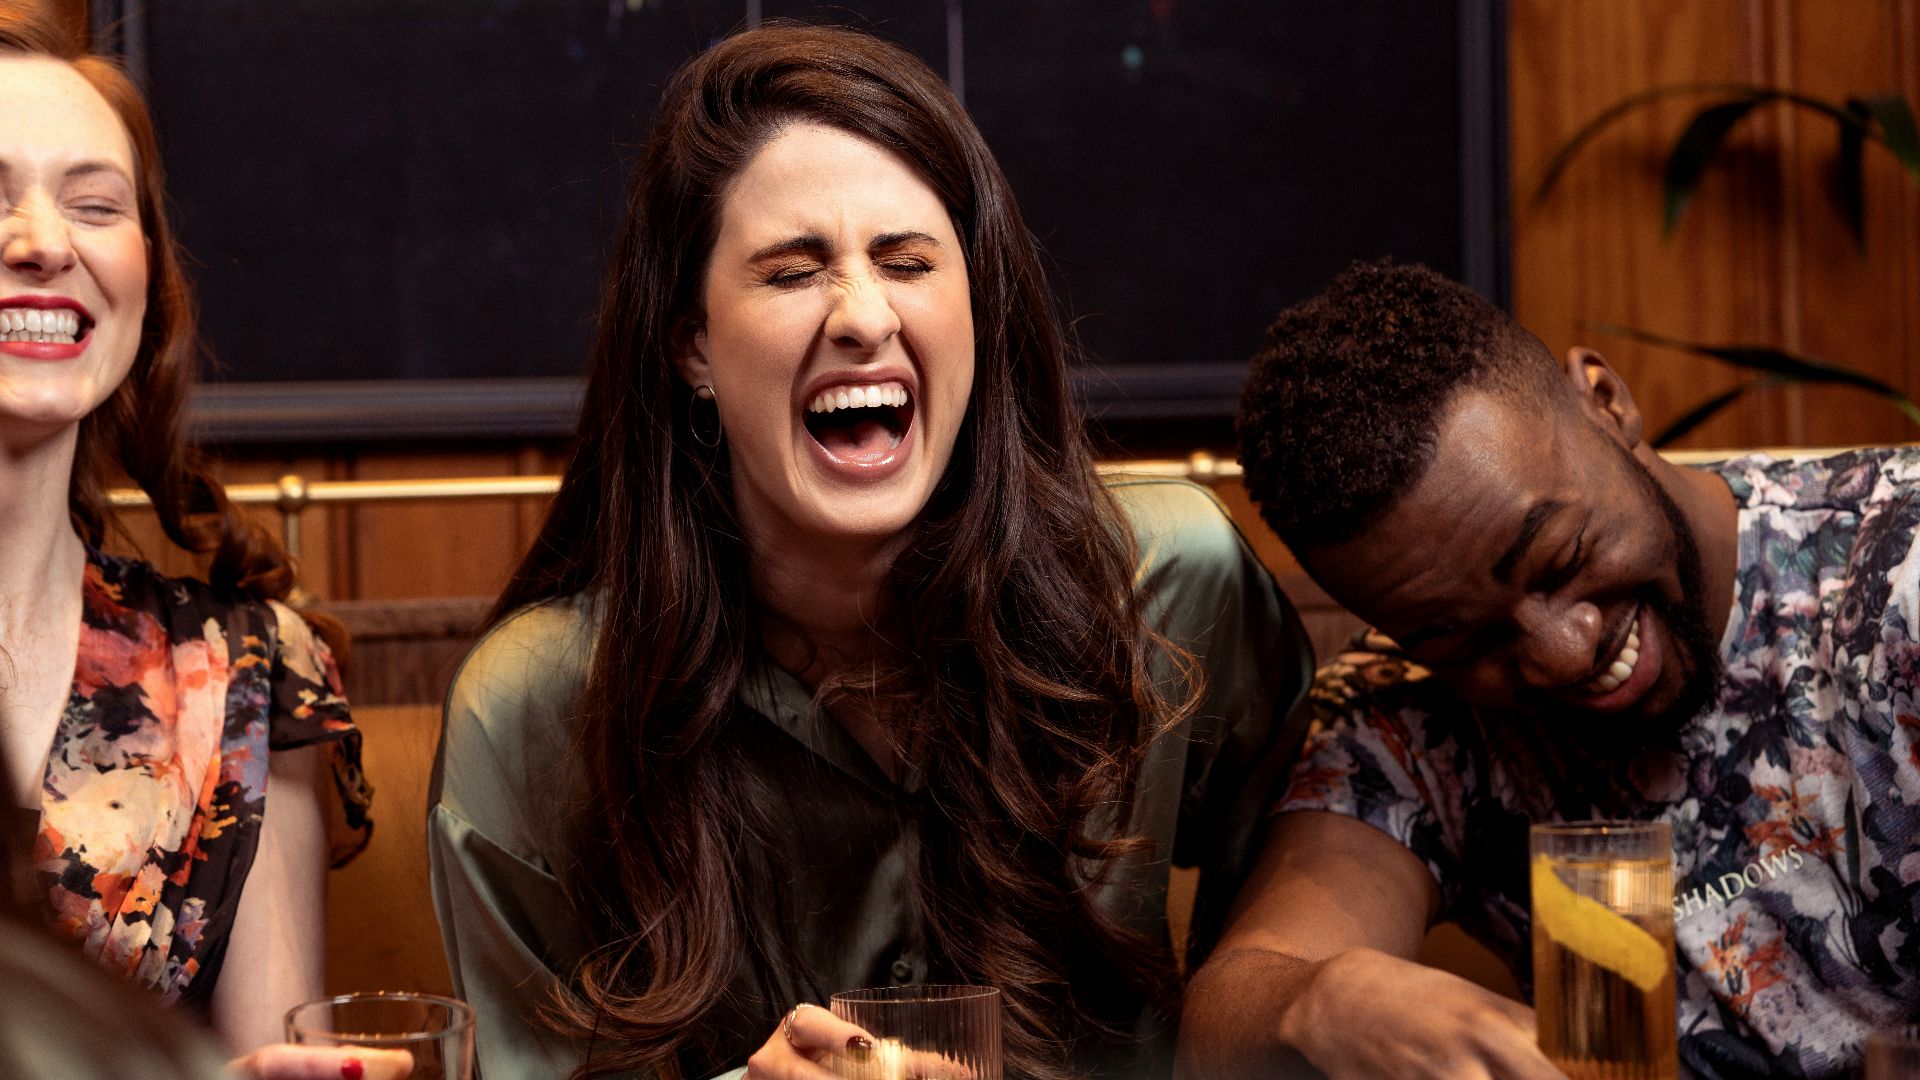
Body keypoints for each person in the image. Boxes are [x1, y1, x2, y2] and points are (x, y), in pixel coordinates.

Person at [428, 22, 1314, 1080]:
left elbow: (1302, 942)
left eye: (906, 262)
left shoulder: (1171, 584)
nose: (862, 315)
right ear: (691, 347)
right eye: (792, 272)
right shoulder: (534, 708)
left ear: (976, 310)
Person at [1190, 259, 1920, 1079]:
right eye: (1463, 640)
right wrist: (1318, 999)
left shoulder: (1896, 575)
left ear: (1607, 403)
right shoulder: (1410, 714)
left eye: (1561, 555)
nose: (1565, 653)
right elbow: (1229, 1012)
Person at [0, 6, 380, 1070]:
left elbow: (274, 1056)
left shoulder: (246, 673)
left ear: (147, 276)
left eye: (94, 203)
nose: (42, 240)